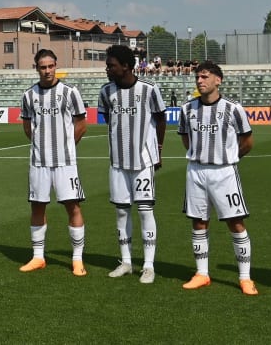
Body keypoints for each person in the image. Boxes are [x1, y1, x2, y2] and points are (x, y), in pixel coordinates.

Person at [177, 61, 257, 295]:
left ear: (218, 80)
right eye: (198, 78)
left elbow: (248, 141)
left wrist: (230, 157)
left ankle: (245, 277)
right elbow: (185, 138)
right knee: (199, 222)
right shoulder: (187, 109)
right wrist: (198, 155)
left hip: (224, 173)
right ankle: (202, 273)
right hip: (196, 171)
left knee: (235, 222)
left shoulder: (233, 109)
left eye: (204, 77)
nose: (200, 81)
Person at [100, 44, 166, 283]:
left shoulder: (149, 90)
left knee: (145, 210)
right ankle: (126, 261)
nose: (107, 69)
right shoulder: (106, 92)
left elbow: (160, 120)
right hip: (117, 162)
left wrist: (158, 150)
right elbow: (109, 119)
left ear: (126, 66)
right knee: (121, 212)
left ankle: (148, 266)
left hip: (143, 162)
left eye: (111, 65)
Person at [19, 49, 88, 275]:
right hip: (39, 162)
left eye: (50, 66)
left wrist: (67, 146)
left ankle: (77, 259)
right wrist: (42, 145)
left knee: (72, 206)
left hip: (65, 162)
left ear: (56, 65)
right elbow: (28, 126)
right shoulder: (29, 95)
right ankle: (38, 257)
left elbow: (81, 124)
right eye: (42, 67)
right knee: (37, 205)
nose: (47, 71)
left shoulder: (70, 92)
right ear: (36, 68)